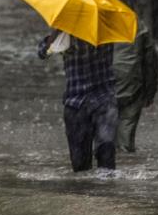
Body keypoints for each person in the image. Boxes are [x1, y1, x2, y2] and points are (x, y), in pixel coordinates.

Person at [38, 33, 118, 172]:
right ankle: (89, 191)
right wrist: (56, 34)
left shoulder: (104, 30)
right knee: (80, 165)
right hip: (77, 103)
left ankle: (105, 191)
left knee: (106, 156)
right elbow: (42, 52)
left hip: (103, 100)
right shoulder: (67, 33)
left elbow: (42, 53)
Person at [107, 0, 158, 153]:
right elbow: (150, 61)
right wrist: (150, 92)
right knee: (125, 135)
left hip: (103, 85)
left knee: (104, 135)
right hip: (132, 85)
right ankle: (125, 167)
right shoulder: (138, 24)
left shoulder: (97, 23)